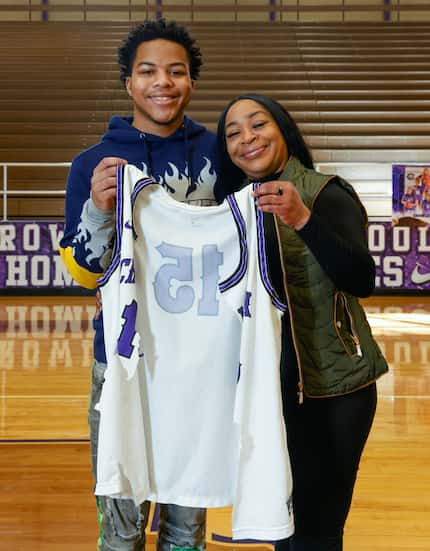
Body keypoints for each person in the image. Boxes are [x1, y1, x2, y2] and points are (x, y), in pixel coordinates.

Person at [59, 19, 219, 551]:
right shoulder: (91, 165)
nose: (163, 82)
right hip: (121, 365)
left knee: (185, 529)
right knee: (121, 529)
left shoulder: (221, 156)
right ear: (128, 82)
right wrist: (99, 209)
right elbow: (83, 274)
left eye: (177, 71)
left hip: (199, 367)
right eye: (147, 71)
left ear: (192, 82)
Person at [216, 93, 389, 551]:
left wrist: (303, 219)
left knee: (318, 530)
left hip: (335, 389)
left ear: (284, 131)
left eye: (258, 125)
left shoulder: (326, 192)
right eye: (233, 133)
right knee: (280, 525)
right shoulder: (231, 211)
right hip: (268, 391)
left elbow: (362, 278)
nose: (247, 138)